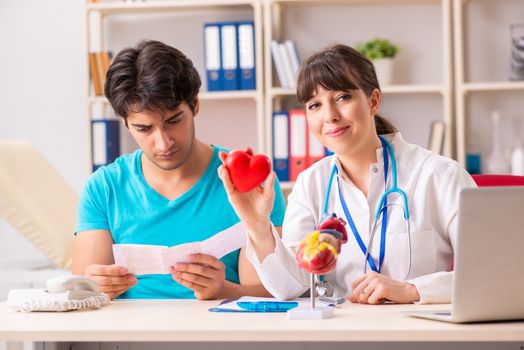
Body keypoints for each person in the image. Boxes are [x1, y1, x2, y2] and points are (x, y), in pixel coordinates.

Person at [218, 44, 476, 305]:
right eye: (315, 104)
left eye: (342, 97)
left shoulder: (440, 175)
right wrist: (257, 223)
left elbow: (488, 271)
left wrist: (412, 289)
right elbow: (289, 287)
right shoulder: (311, 184)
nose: (329, 116)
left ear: (373, 100)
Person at [72, 40, 286, 300]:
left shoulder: (247, 180)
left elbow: (275, 293)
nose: (163, 143)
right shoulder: (104, 188)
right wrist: (94, 285)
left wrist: (226, 290)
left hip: (221, 334)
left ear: (194, 105)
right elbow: (82, 294)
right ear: (126, 123)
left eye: (173, 121)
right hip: (130, 338)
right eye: (144, 129)